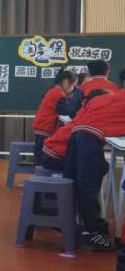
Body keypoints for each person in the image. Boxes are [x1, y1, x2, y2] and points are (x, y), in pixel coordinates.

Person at [42, 90, 125, 252]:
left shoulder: (102, 100)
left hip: (73, 138)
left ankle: (72, 222)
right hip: (77, 143)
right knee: (88, 185)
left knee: (83, 181)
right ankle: (94, 231)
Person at [33, 69, 77, 163]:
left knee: (39, 156)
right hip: (46, 129)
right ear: (66, 82)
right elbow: (69, 112)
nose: (73, 88)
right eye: (73, 85)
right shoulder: (58, 94)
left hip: (42, 128)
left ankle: (38, 169)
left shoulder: (52, 91)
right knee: (42, 157)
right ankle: (40, 170)